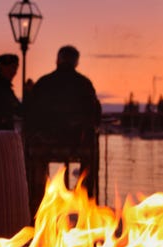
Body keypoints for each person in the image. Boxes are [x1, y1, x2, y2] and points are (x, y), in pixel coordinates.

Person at [23, 45, 102, 215]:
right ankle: (87, 200)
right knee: (91, 155)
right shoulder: (84, 84)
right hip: (76, 142)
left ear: (58, 60)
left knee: (35, 158)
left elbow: (30, 113)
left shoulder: (43, 83)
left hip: (45, 141)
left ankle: (36, 202)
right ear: (76, 62)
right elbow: (94, 113)